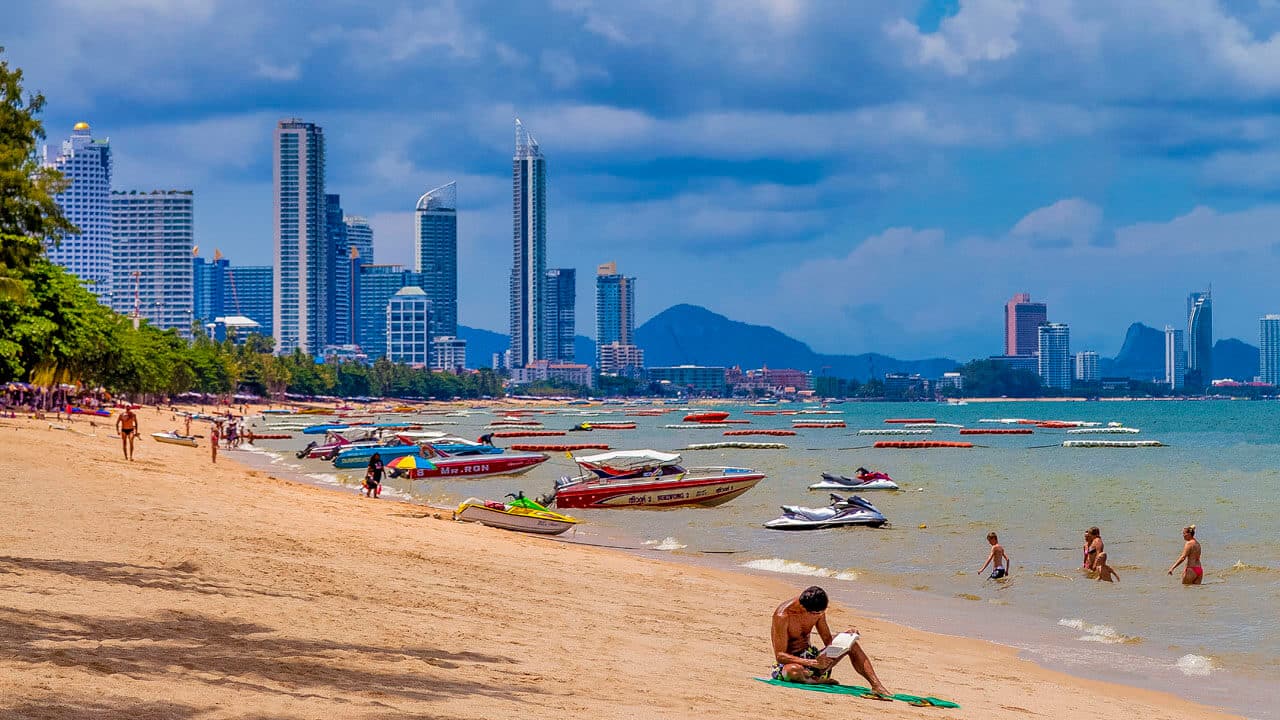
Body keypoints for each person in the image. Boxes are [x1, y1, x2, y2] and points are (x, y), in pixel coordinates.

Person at [770, 586, 890, 696]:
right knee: (793, 670)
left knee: (852, 645)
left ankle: (876, 685)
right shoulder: (783, 616)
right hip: (792, 666)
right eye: (816, 613)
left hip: (816, 663)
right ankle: (814, 681)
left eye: (822, 612)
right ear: (803, 607)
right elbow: (779, 656)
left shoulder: (817, 609)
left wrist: (844, 637)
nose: (819, 615)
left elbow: (827, 640)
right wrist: (813, 663)